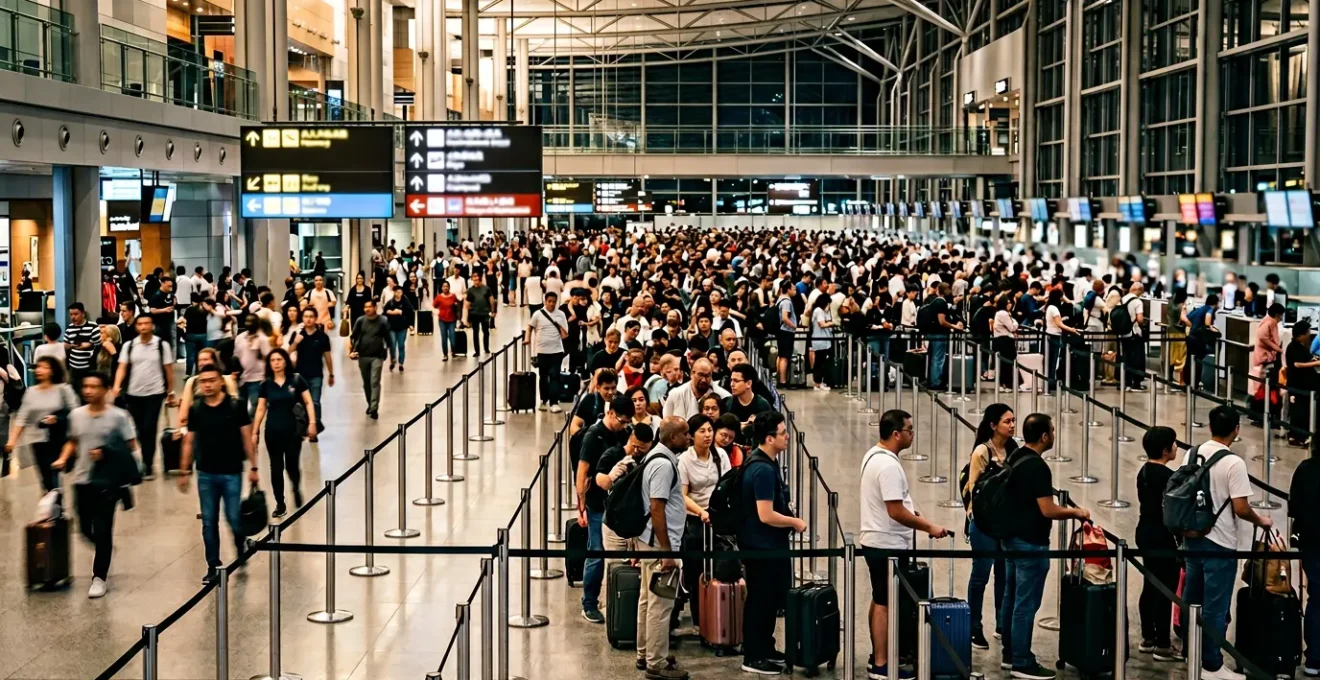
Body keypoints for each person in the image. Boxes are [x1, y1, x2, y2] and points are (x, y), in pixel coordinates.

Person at [1182, 406, 1273, 680]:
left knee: (1191, 598)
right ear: (1236, 430)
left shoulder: (1193, 453)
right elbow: (1241, 507)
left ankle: (1191, 652)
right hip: (1220, 543)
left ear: (1210, 427)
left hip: (1193, 538)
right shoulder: (1234, 463)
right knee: (1215, 606)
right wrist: (1262, 521)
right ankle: (1210, 664)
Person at [861, 409, 951, 679]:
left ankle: (878, 655)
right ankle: (881, 664)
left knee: (880, 599)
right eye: (910, 430)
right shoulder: (888, 466)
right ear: (896, 434)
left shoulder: (873, 456)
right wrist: (929, 527)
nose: (913, 434)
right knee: (885, 604)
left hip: (877, 540)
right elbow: (895, 511)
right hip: (886, 543)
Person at [999, 413, 1090, 680]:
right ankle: (1021, 661)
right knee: (1025, 605)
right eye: (1052, 430)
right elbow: (1047, 510)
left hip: (1010, 539)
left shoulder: (1015, 456)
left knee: (1011, 598)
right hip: (1030, 542)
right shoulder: (1038, 467)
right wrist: (1076, 513)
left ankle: (1009, 652)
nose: (1054, 434)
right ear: (1044, 436)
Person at [55, 372, 139, 599]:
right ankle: (105, 548)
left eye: (94, 387)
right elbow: (73, 441)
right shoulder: (76, 415)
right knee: (83, 529)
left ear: (106, 389)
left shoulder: (119, 417)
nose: (89, 391)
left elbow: (130, 446)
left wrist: (108, 455)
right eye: (86, 387)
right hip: (82, 481)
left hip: (107, 483)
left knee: (103, 530)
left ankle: (99, 576)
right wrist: (63, 458)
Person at [177, 364, 258, 582]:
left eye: (212, 380)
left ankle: (240, 545)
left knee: (233, 517)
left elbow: (246, 437)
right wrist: (184, 470)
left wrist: (254, 466)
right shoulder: (196, 409)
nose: (208, 385)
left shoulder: (236, 406)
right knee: (208, 521)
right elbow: (189, 441)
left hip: (232, 471)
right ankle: (213, 564)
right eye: (203, 381)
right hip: (206, 473)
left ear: (221, 382)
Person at [740, 411, 805, 675]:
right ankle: (754, 655)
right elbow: (765, 514)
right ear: (769, 438)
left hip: (765, 545)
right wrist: (794, 522)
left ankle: (764, 646)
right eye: (782, 433)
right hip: (762, 547)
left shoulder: (764, 462)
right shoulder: (763, 470)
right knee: (760, 600)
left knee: (766, 599)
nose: (787, 436)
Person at [635, 416, 691, 680]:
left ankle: (646, 652)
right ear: (672, 438)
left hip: (650, 541)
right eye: (686, 434)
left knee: (648, 599)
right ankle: (655, 664)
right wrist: (667, 552)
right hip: (659, 545)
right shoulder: (663, 464)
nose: (689, 438)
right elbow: (657, 508)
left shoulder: (657, 456)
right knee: (660, 603)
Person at [574, 393, 635, 624]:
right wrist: (581, 508)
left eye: (628, 422)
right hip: (597, 504)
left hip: (618, 504)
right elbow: (582, 472)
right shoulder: (593, 436)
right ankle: (589, 602)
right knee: (597, 553)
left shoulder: (626, 434)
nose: (625, 425)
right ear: (610, 413)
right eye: (621, 420)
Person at [962, 403, 1016, 650]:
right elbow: (974, 489)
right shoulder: (981, 452)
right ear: (993, 425)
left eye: (1013, 420)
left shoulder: (1014, 449)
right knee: (980, 575)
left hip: (1006, 524)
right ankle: (974, 626)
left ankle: (1002, 623)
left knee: (1004, 576)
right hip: (983, 524)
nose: (1012, 425)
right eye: (1007, 421)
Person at [251, 348, 316, 517]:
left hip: (293, 431)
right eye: (273, 360)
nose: (276, 363)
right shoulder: (265, 385)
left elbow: (308, 402)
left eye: (279, 359)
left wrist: (312, 422)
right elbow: (260, 408)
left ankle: (295, 487)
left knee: (292, 465)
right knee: (276, 467)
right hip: (272, 431)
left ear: (285, 361)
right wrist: (255, 430)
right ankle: (280, 502)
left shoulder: (296, 380)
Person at [111, 314, 176, 479]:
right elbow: (122, 367)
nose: (143, 327)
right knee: (139, 429)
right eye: (140, 324)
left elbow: (168, 369)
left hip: (155, 393)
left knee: (150, 427)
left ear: (152, 326)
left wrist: (171, 391)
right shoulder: (129, 346)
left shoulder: (161, 345)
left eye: (147, 323)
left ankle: (148, 464)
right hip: (133, 393)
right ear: (136, 326)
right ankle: (144, 459)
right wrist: (116, 386)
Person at [1135, 426, 1180, 661]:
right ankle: (1163, 643)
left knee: (1150, 584)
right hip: (1162, 535)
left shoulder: (1144, 471)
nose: (1176, 447)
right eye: (1174, 444)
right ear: (1165, 450)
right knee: (1165, 588)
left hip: (1144, 531)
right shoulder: (1169, 477)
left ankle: (1148, 636)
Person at [6, 356, 79, 492]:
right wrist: (12, 441)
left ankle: (56, 505)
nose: (39, 370)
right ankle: (53, 504)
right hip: (37, 440)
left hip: (58, 438)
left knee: (54, 475)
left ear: (52, 370)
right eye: (38, 367)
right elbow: (22, 417)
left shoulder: (63, 389)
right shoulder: (31, 392)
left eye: (44, 367)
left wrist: (57, 418)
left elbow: (76, 411)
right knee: (45, 478)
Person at [1290, 440, 1320, 677]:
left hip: (1311, 542)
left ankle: (1314, 657)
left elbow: (1294, 508)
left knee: (1316, 598)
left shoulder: (1305, 468)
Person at [290, 307, 334, 442]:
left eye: (311, 316)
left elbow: (327, 356)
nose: (308, 319)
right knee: (300, 404)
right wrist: (296, 342)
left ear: (315, 319)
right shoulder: (297, 335)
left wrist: (331, 374)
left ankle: (314, 430)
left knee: (314, 402)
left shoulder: (322, 337)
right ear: (302, 319)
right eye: (306, 316)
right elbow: (287, 352)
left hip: (316, 374)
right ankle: (303, 428)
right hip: (300, 375)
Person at [526, 291, 569, 412]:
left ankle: (554, 402)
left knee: (555, 376)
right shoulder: (537, 314)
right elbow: (529, 327)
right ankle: (544, 400)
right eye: (549, 301)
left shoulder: (561, 314)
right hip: (542, 350)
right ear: (545, 301)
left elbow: (565, 334)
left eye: (554, 302)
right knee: (543, 376)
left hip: (556, 350)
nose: (551, 304)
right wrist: (527, 339)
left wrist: (560, 326)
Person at [348, 299, 390, 420]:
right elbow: (353, 336)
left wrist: (390, 353)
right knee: (367, 383)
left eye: (369, 307)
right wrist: (352, 351)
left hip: (377, 356)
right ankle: (370, 403)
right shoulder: (360, 321)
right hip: (363, 355)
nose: (367, 309)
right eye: (365, 307)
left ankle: (374, 408)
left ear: (375, 308)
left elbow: (388, 338)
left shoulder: (383, 321)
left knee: (374, 381)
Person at [662, 358, 729, 420]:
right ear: (692, 374)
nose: (703, 380)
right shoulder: (675, 394)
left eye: (707, 376)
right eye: (700, 375)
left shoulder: (723, 396)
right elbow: (666, 422)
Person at [233, 314, 272, 417]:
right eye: (247, 321)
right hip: (242, 378)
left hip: (257, 377)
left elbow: (268, 358)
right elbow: (236, 355)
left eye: (252, 322)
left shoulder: (263, 339)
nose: (249, 324)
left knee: (255, 406)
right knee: (240, 405)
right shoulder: (240, 337)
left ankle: (252, 427)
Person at [1184, 293, 1221, 391]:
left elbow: (1187, 318)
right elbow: (1207, 322)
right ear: (1215, 303)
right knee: (1198, 361)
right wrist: (1211, 328)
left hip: (1191, 337)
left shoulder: (1200, 309)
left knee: (1189, 360)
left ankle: (1188, 383)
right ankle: (1195, 383)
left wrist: (1194, 326)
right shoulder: (1210, 309)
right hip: (1198, 340)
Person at [1118, 282, 1147, 390]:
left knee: (1126, 357)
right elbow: (1139, 319)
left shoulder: (1122, 299)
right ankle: (1136, 383)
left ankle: (1126, 382)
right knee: (1137, 358)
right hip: (1134, 333)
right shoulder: (1137, 302)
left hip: (1123, 333)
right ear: (1139, 290)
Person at [64, 302, 99, 387]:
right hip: (73, 367)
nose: (73, 317)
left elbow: (99, 346)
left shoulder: (93, 326)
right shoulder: (70, 328)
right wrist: (70, 346)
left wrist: (89, 344)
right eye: (71, 314)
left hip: (89, 367)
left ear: (83, 314)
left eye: (76, 314)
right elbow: (65, 344)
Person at [463, 270, 497, 357]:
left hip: (484, 314)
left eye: (476, 278)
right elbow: (467, 304)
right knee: (475, 332)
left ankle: (486, 348)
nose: (475, 279)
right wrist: (465, 318)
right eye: (474, 278)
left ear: (480, 279)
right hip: (474, 314)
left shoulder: (486, 289)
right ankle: (477, 351)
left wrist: (493, 311)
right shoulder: (470, 291)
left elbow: (491, 300)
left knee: (486, 331)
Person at [383, 286, 414, 372]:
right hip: (391, 327)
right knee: (392, 344)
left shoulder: (406, 303)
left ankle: (401, 363)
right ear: (394, 292)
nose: (399, 294)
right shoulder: (390, 303)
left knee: (401, 345)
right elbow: (384, 313)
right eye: (397, 292)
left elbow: (411, 313)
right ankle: (393, 360)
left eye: (400, 292)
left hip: (402, 327)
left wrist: (411, 325)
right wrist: (392, 312)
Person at [992, 295, 1019, 392]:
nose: (1010, 304)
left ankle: (1004, 384)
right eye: (1007, 302)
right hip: (1004, 341)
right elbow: (1012, 327)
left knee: (1004, 364)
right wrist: (1015, 323)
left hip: (1002, 340)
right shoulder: (1003, 313)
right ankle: (1007, 385)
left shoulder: (1004, 313)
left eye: (1010, 302)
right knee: (1006, 364)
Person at [808, 293, 835, 391]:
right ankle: (818, 383)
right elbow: (822, 324)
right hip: (820, 340)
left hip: (822, 340)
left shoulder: (819, 311)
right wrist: (831, 323)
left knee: (820, 362)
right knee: (819, 363)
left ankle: (819, 382)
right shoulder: (819, 310)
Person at [773, 285, 798, 388]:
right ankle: (783, 381)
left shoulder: (779, 300)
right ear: (788, 289)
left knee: (780, 355)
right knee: (785, 357)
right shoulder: (787, 302)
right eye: (793, 289)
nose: (795, 291)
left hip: (781, 331)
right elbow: (785, 318)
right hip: (786, 331)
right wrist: (794, 326)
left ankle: (779, 378)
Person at [434, 280, 460, 361]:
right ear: (441, 288)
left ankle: (453, 351)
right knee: (444, 337)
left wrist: (458, 317)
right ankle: (445, 354)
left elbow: (458, 305)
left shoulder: (453, 296)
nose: (445, 288)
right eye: (444, 286)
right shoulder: (438, 297)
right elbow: (434, 306)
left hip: (452, 319)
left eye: (447, 286)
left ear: (449, 287)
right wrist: (437, 312)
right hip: (442, 320)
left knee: (452, 336)